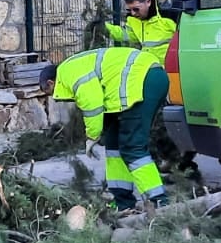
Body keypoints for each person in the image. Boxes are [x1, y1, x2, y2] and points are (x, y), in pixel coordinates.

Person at [39, 46, 170, 212]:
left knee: (132, 146)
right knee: (113, 145)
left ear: (51, 82)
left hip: (142, 81)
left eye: (49, 92)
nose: (52, 97)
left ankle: (159, 201)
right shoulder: (71, 68)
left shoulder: (69, 75)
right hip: (139, 81)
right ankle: (123, 202)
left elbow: (93, 105)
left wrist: (92, 136)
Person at [103, 0, 177, 58]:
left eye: (136, 9)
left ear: (148, 2)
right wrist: (105, 28)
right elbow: (126, 34)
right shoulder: (134, 20)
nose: (133, 13)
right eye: (129, 10)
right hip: (148, 65)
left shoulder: (168, 17)